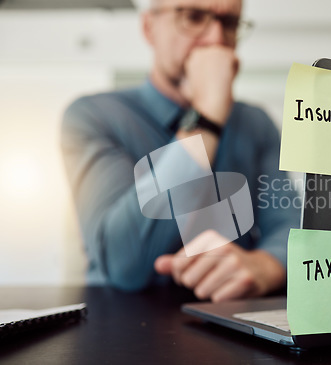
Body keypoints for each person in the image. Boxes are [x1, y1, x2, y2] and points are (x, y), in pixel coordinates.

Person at [61, 0, 299, 302]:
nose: (215, 40)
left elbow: (290, 229)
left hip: (231, 327)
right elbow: (124, 265)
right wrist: (207, 116)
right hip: (120, 330)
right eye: (194, 17)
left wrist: (267, 266)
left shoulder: (256, 123)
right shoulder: (92, 115)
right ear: (149, 28)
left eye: (229, 23)